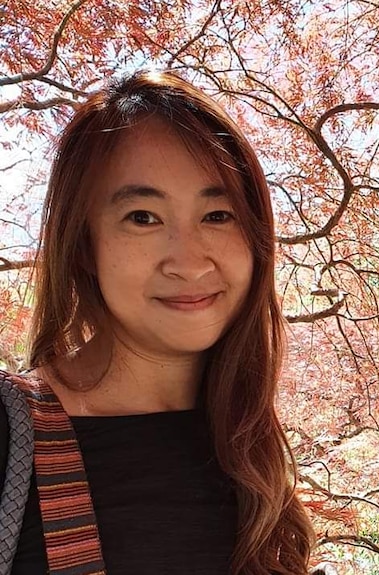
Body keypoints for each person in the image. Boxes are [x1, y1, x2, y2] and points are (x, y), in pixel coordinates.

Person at [0, 70, 313, 574]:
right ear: (84, 245)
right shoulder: (13, 436)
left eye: (218, 215)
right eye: (142, 217)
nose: (189, 263)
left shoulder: (248, 442)